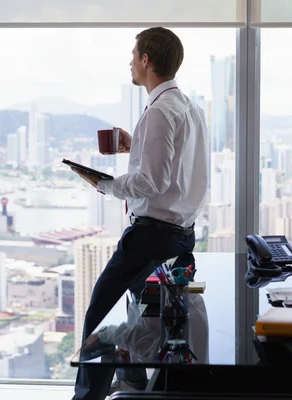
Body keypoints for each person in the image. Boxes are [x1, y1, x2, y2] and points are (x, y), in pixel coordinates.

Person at [70, 26, 209, 400]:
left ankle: (87, 398)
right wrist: (137, 146)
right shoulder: (190, 108)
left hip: (151, 238)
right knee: (144, 316)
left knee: (98, 314)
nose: (130, 62)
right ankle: (131, 382)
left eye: (134, 56)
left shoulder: (160, 111)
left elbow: (151, 183)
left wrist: (104, 184)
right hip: (181, 234)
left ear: (146, 60)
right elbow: (181, 169)